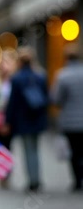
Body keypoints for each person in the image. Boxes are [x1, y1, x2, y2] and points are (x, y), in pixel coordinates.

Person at [5, 46, 48, 193]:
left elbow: (12, 102)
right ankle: (37, 179)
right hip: (37, 120)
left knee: (28, 150)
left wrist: (8, 121)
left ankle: (32, 181)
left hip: (23, 121)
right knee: (36, 150)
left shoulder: (16, 78)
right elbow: (46, 98)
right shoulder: (41, 76)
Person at [51, 43, 83, 192]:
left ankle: (77, 180)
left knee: (74, 152)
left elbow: (56, 99)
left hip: (70, 121)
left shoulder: (62, 75)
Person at [0, 49, 17, 188]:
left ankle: (6, 174)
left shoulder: (14, 80)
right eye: (3, 62)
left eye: (7, 62)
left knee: (8, 147)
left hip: (10, 118)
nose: (4, 65)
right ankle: (1, 174)